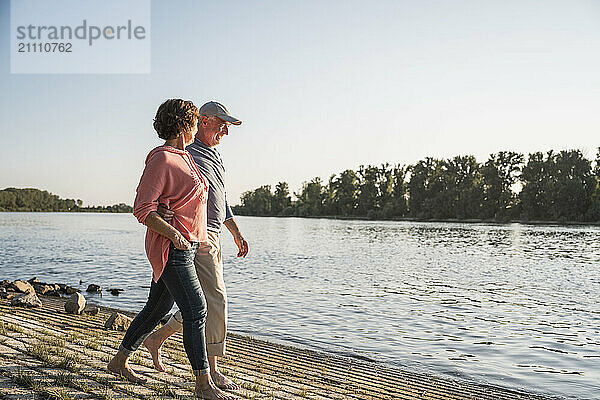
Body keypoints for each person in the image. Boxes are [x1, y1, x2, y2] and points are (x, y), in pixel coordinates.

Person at [107, 99, 236, 400]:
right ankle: (203, 385)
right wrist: (174, 233)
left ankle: (118, 362)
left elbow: (188, 201)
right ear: (183, 124)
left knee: (156, 310)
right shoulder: (162, 158)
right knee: (197, 309)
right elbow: (142, 209)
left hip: (189, 246)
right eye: (193, 121)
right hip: (172, 248)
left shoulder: (185, 157)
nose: (195, 125)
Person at [143, 101, 248, 391]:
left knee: (198, 302)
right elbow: (164, 186)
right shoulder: (185, 152)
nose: (226, 131)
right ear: (203, 121)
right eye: (222, 124)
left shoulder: (215, 156)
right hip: (194, 236)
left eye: (228, 126)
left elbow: (220, 199)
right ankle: (211, 371)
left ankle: (157, 338)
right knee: (215, 299)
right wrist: (164, 211)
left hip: (212, 234)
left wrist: (235, 232)